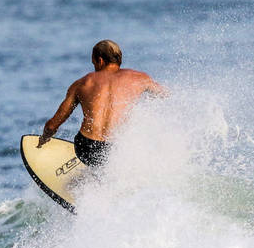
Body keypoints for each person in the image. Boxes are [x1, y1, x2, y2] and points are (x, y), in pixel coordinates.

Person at [38, 40, 167, 166]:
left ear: (100, 61)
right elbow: (165, 95)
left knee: (94, 155)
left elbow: (52, 125)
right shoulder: (140, 79)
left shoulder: (82, 83)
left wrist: (44, 139)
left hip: (86, 148)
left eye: (93, 63)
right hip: (115, 150)